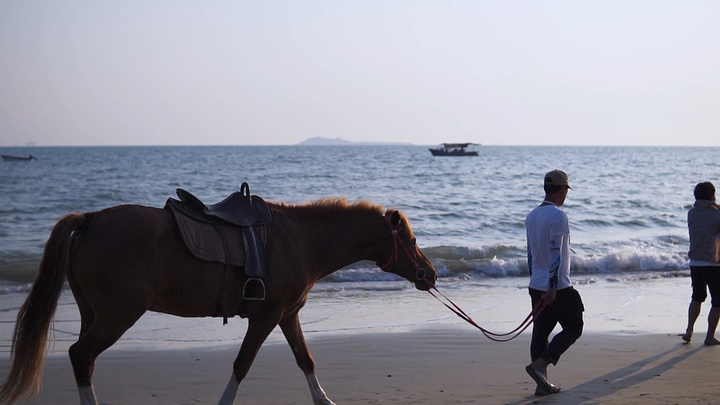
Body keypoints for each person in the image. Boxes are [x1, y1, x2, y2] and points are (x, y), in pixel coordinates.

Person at [524, 169, 584, 396]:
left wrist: (536, 282)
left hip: (536, 282)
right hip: (556, 286)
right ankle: (541, 365)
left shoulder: (532, 215)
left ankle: (541, 385)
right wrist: (551, 287)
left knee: (541, 332)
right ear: (562, 190)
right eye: (566, 190)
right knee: (574, 326)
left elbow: (530, 253)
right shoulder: (558, 216)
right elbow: (555, 252)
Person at [682, 181, 720, 345]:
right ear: (712, 196)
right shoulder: (715, 214)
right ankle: (709, 337)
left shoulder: (691, 213)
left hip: (695, 262)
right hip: (713, 263)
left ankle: (689, 329)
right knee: (717, 301)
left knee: (697, 296)